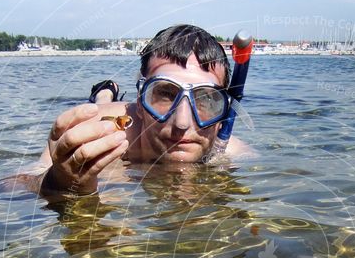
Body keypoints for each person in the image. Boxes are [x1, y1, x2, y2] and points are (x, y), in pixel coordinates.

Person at [38, 24, 251, 195]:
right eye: (166, 94)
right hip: (112, 115)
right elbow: (14, 186)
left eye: (205, 98)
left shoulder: (234, 152)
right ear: (140, 102)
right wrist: (57, 180)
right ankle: (105, 92)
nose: (182, 123)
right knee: (99, 105)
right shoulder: (93, 134)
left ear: (223, 112)